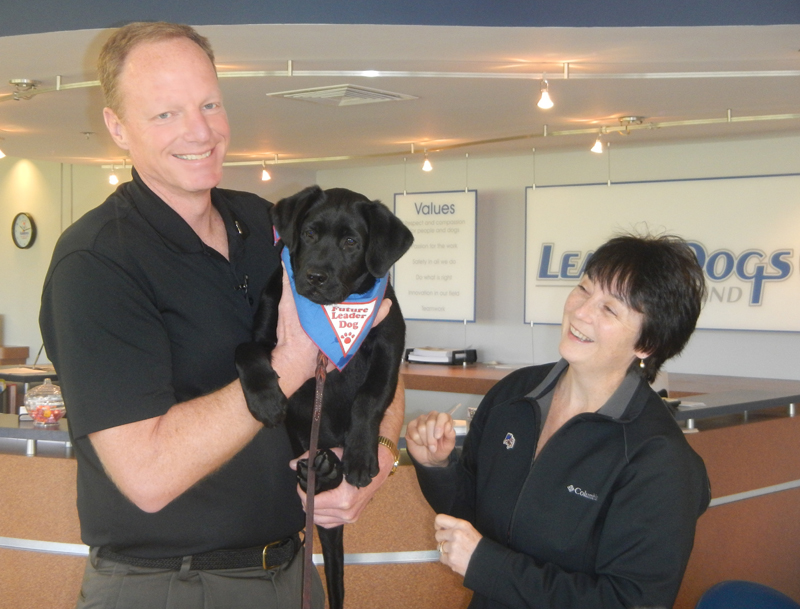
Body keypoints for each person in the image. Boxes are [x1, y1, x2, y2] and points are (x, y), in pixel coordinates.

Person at [39, 21, 403, 609]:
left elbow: (380, 335)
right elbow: (147, 476)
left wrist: (379, 451)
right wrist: (291, 361)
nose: (200, 131)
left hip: (290, 569)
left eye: (209, 104)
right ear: (117, 127)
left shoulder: (269, 225)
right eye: (166, 113)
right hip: (170, 584)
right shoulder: (96, 263)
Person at [406, 233, 710, 609]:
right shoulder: (513, 395)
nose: (581, 312)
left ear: (646, 344)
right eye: (584, 289)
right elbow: (473, 518)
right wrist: (438, 467)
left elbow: (630, 601)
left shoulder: (658, 457)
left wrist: (488, 566)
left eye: (609, 309)